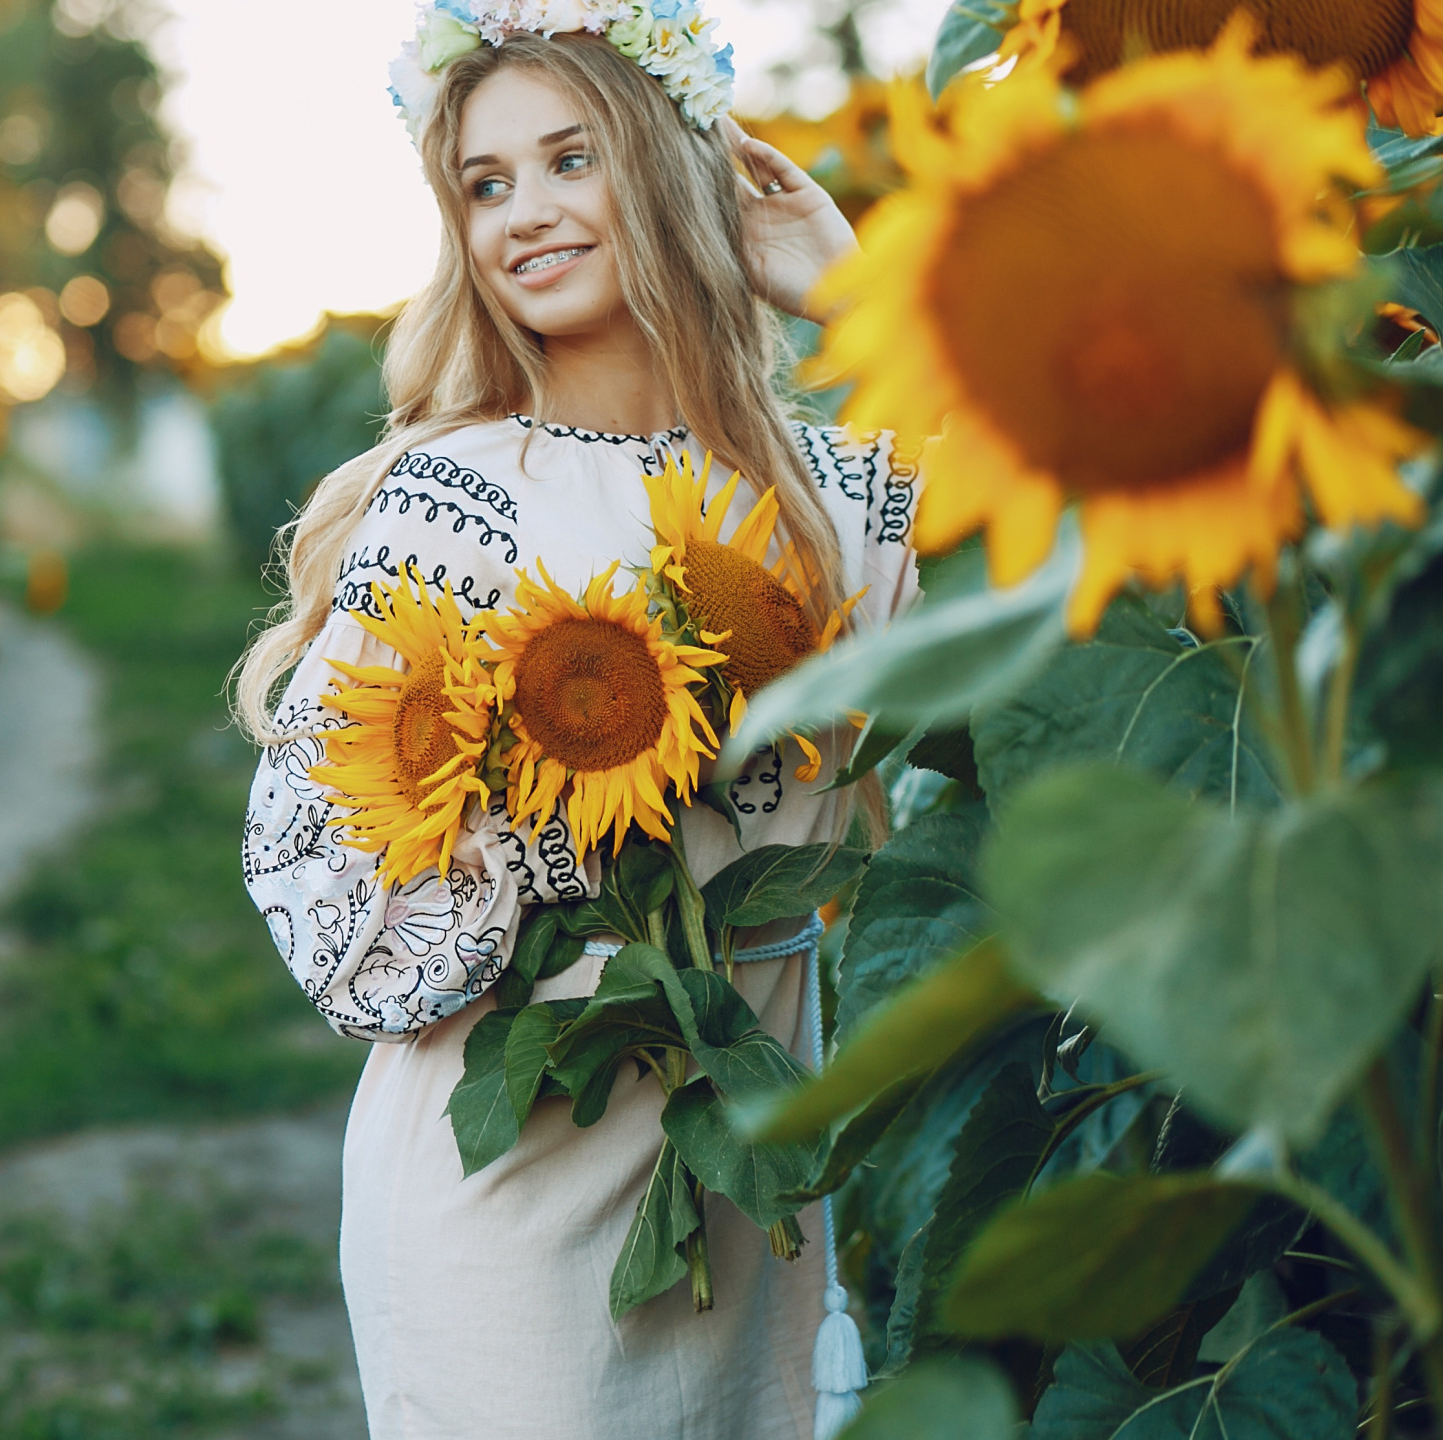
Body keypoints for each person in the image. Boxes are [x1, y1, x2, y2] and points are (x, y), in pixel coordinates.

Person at [230, 7, 923, 1438]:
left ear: (670, 170)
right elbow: (325, 903)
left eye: (571, 159)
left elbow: (1064, 576)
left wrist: (863, 303)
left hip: (764, 1171)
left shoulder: (830, 496)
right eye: (484, 185)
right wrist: (584, 794)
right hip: (513, 1197)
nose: (524, 216)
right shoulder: (459, 500)